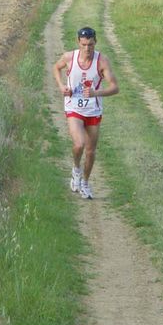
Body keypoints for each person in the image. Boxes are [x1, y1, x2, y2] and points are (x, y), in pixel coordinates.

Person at [53, 26, 119, 199]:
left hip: (93, 110)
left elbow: (115, 88)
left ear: (95, 42)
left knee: (90, 151)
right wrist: (61, 86)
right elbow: (56, 68)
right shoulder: (69, 57)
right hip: (73, 107)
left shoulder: (102, 61)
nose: (87, 49)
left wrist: (96, 93)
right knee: (79, 144)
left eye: (90, 45)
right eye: (83, 45)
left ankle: (85, 182)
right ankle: (76, 169)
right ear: (78, 42)